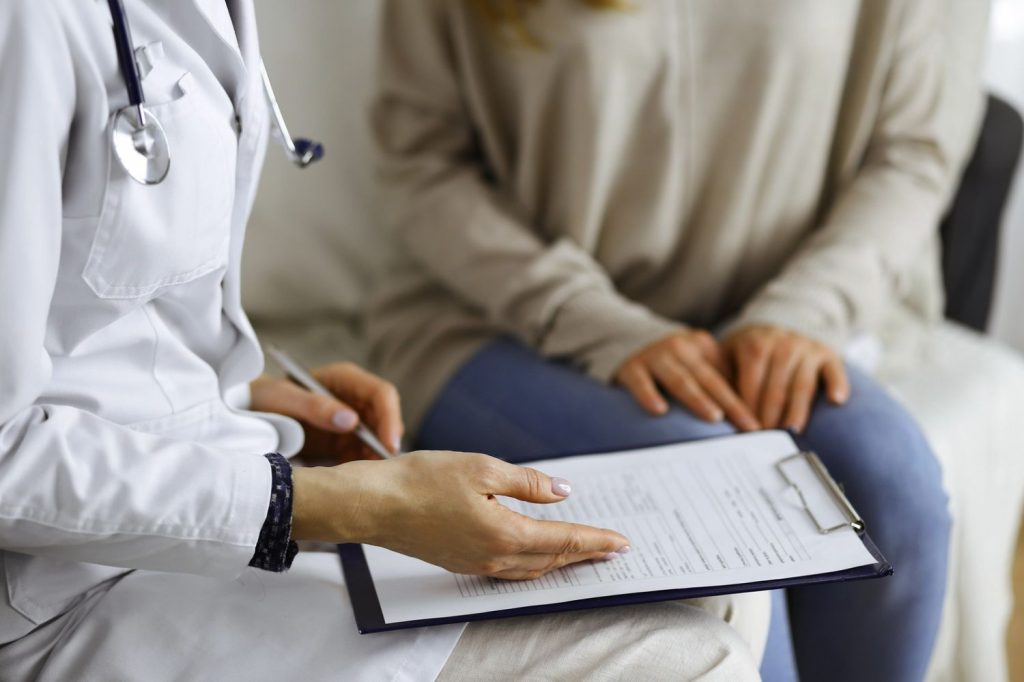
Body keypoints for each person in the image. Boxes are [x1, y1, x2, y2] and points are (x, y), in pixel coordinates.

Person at [0, 1, 770, 679]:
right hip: (60, 594)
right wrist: (329, 502)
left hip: (189, 511)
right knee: (688, 660)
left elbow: (108, 328)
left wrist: (254, 404)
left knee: (727, 590)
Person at [366, 1, 987, 680]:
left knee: (896, 482)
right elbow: (422, 166)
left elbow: (912, 151)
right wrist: (594, 320)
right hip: (504, 321)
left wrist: (805, 311)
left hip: (768, 323)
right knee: (726, 495)